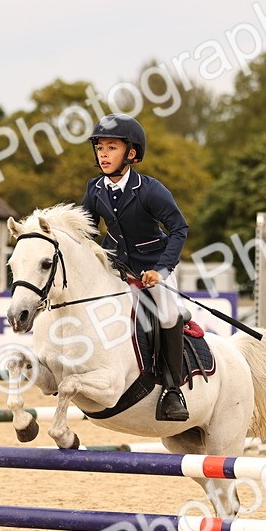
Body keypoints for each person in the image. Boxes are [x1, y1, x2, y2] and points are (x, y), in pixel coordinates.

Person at [80, 113, 191, 422]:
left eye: (111, 148)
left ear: (131, 153)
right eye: (100, 148)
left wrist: (162, 270)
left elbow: (179, 229)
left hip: (154, 267)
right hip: (116, 266)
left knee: (167, 314)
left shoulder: (150, 190)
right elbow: (86, 232)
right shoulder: (94, 189)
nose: (103, 154)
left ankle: (172, 390)